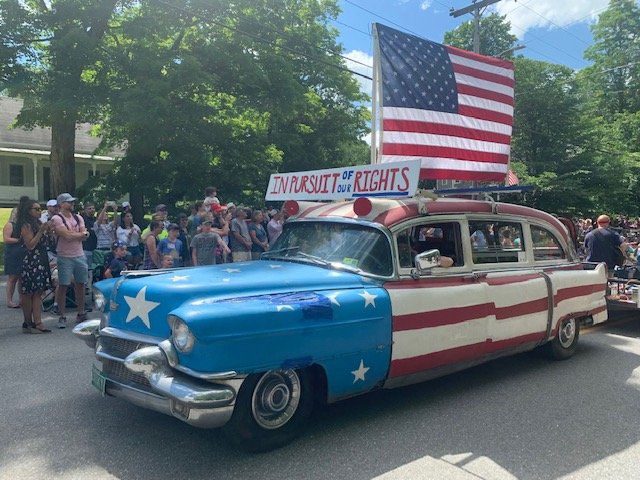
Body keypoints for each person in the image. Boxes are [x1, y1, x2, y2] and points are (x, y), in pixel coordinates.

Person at [51, 193, 90, 329]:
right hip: (64, 255)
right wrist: (80, 234)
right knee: (63, 285)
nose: (72, 204)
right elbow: (67, 236)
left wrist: (79, 235)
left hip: (79, 254)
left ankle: (81, 312)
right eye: (69, 202)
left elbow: (85, 236)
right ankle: (62, 315)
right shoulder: (57, 218)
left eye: (73, 202)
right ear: (61, 204)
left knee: (81, 284)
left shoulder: (78, 217)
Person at [16, 197, 53, 333]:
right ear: (28, 210)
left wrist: (48, 231)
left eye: (40, 209)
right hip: (30, 261)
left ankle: (38, 322)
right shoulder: (26, 225)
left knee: (38, 292)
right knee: (28, 293)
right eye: (36, 209)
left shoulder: (38, 223)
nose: (39, 211)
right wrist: (41, 231)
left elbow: (48, 243)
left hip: (41, 259)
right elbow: (30, 245)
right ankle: (28, 321)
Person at [3, 207, 25, 308]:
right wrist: (19, 240)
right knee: (12, 278)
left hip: (22, 254)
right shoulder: (10, 225)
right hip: (12, 255)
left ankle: (22, 299)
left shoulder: (23, 226)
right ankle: (9, 300)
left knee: (22, 278)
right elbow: (7, 239)